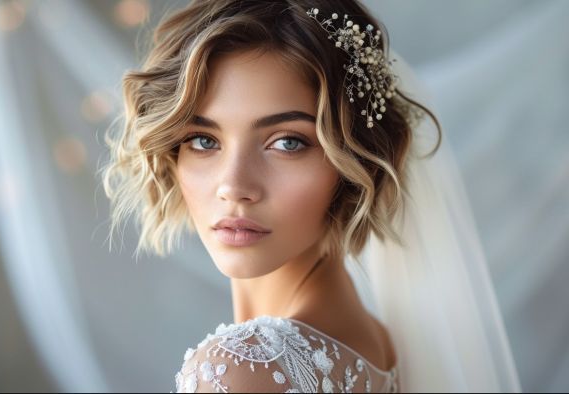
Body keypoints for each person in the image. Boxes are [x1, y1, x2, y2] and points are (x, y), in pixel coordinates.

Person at [101, 0, 521, 392]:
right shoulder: (370, 342)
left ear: (355, 162)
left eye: (287, 143)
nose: (234, 186)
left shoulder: (243, 371)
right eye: (203, 140)